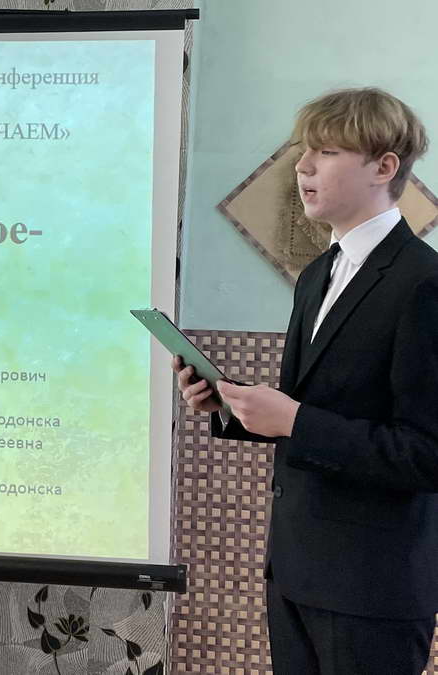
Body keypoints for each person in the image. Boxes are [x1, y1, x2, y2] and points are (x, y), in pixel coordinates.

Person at [173, 87, 438, 674]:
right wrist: (230, 405)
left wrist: (294, 420)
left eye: (325, 151)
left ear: (384, 167)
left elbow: (427, 455)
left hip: (373, 587)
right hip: (295, 573)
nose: (303, 166)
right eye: (303, 150)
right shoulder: (317, 274)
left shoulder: (424, 283)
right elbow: (312, 408)